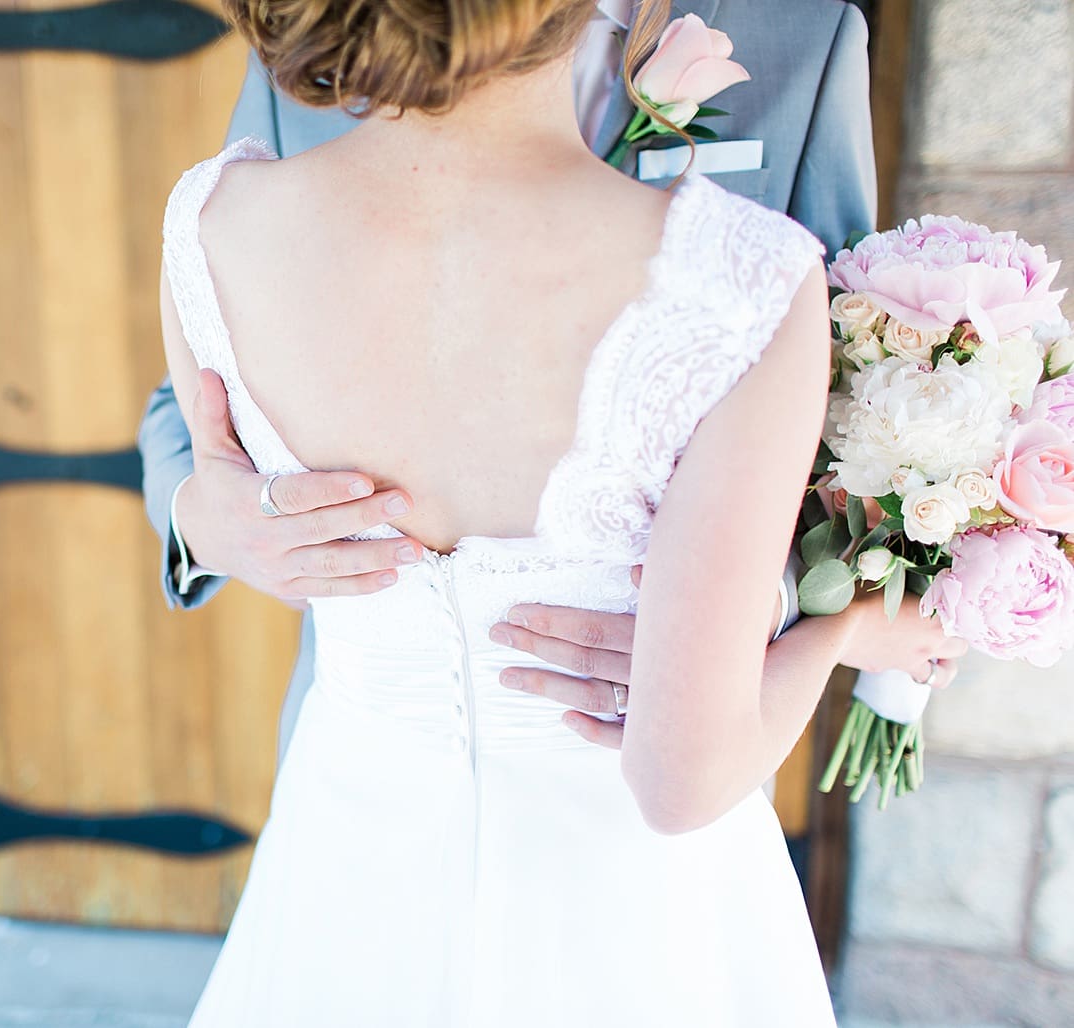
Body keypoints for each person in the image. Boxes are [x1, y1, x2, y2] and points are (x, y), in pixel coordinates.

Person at [154, 1, 963, 1023]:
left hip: (349, 851)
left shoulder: (207, 221)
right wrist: (851, 627)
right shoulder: (751, 279)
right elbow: (682, 779)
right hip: (632, 894)